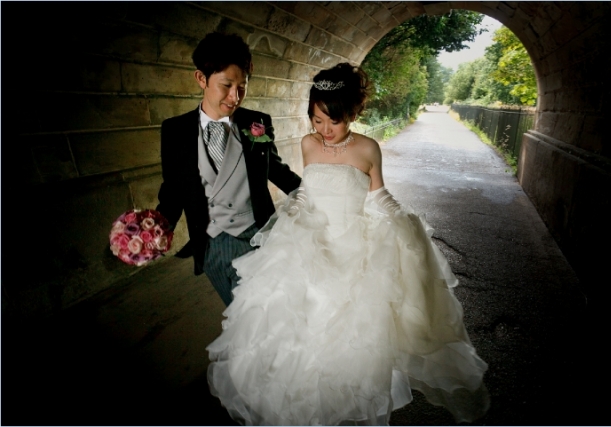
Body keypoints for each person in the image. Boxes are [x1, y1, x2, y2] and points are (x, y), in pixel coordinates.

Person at [206, 63, 490, 425]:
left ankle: (342, 410)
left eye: (332, 122)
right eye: (316, 120)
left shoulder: (369, 149)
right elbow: (307, 190)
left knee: (351, 344)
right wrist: (294, 208)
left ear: (353, 114)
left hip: (355, 252)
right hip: (310, 244)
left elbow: (380, 196)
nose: (323, 130)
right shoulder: (309, 144)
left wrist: (406, 223)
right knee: (296, 336)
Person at [156, 32, 301, 306]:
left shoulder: (257, 122)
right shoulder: (175, 130)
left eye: (242, 87)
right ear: (201, 79)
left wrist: (319, 194)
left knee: (264, 316)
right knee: (239, 321)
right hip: (212, 247)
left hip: (260, 236)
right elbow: (173, 192)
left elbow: (277, 170)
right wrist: (153, 231)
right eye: (226, 85)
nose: (235, 97)